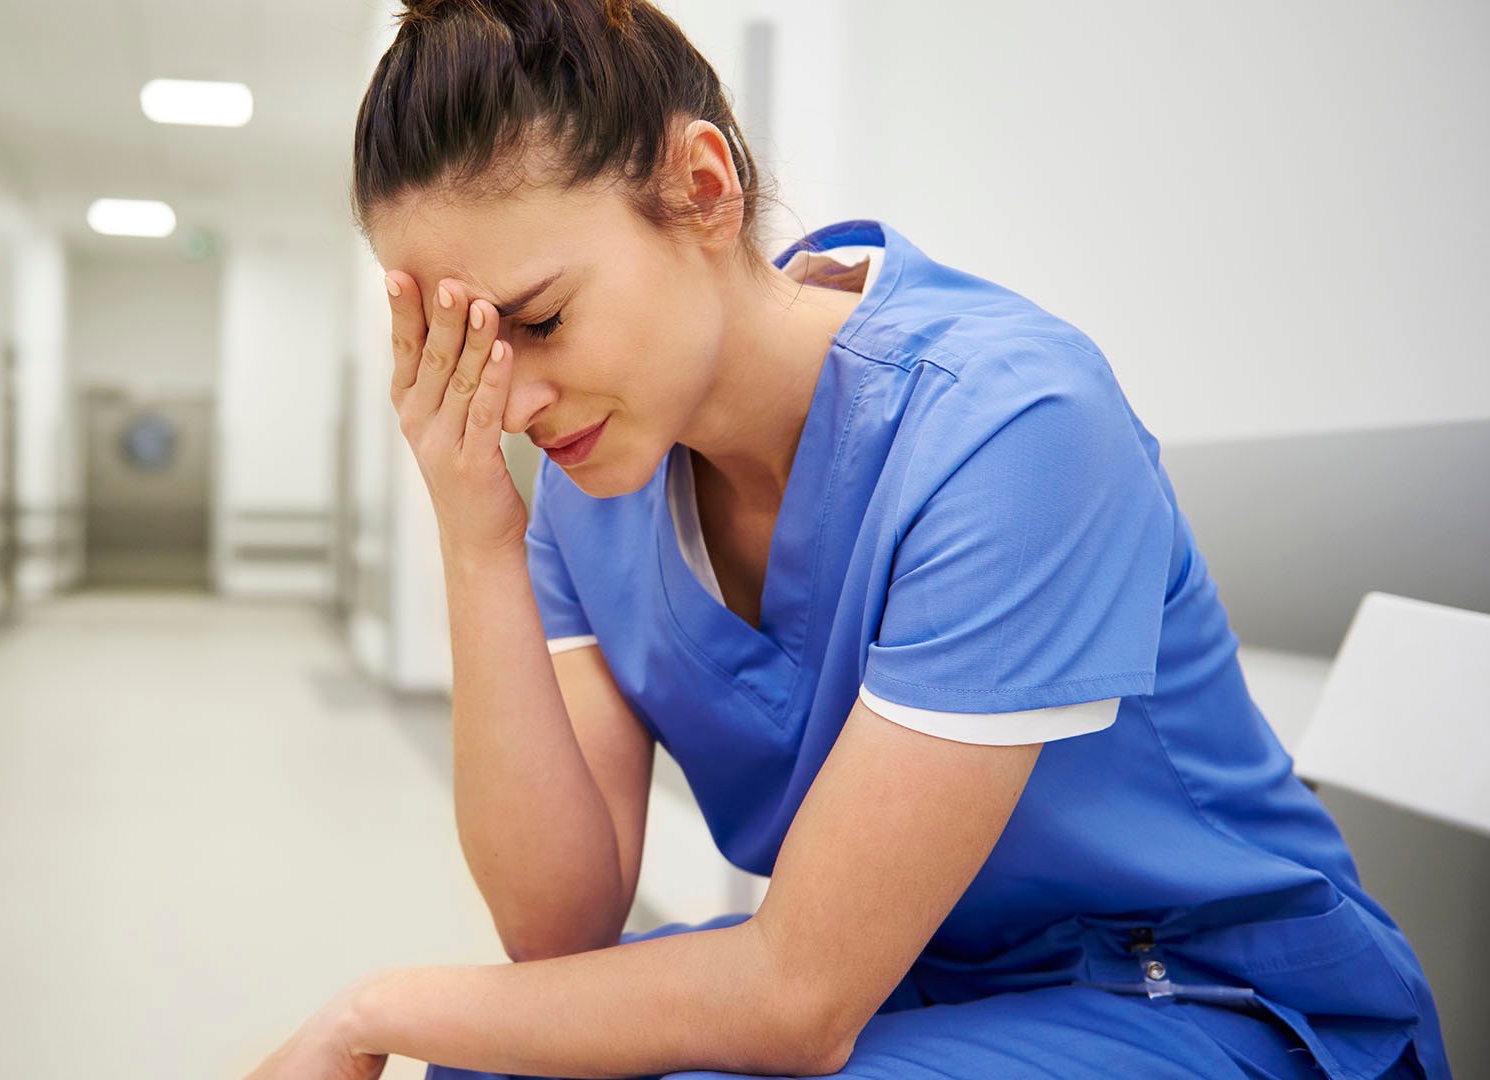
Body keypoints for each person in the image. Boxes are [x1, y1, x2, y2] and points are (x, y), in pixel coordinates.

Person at [245, 1, 1449, 1077]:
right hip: (930, 982)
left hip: (1208, 1001)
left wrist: (373, 1009)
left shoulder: (1009, 427)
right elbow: (556, 934)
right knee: (505, 1069)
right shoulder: (588, 490)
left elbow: (797, 1001)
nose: (510, 404)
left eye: (542, 321)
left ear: (704, 188)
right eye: (472, 354)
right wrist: (475, 539)